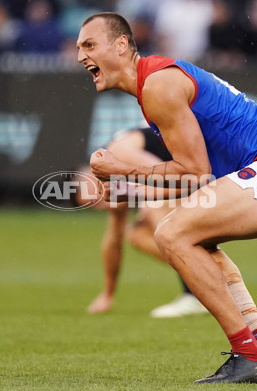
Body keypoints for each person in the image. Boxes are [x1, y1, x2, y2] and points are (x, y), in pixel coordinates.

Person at [76, 12, 257, 384]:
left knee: (171, 234)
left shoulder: (157, 85)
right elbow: (196, 179)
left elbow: (195, 173)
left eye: (89, 45)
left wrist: (122, 171)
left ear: (122, 45)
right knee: (195, 238)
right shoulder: (157, 80)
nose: (80, 56)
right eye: (79, 47)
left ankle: (247, 353)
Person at [77, 127, 208, 318]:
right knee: (136, 234)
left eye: (92, 192)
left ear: (92, 170)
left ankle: (196, 294)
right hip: (195, 178)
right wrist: (108, 294)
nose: (100, 202)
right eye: (93, 204)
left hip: (208, 167)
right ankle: (206, 282)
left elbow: (172, 179)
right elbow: (114, 241)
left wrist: (140, 193)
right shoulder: (111, 187)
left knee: (152, 207)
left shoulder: (120, 152)